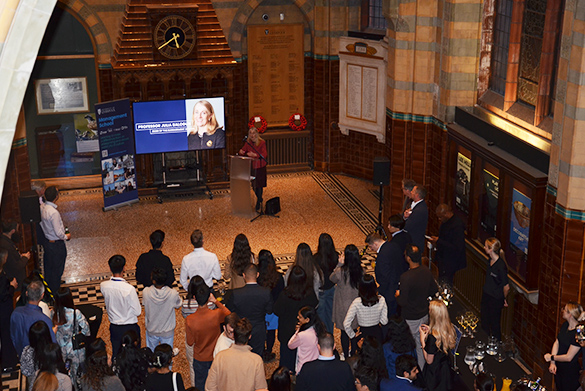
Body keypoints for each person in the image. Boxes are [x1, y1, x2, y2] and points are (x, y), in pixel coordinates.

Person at [396, 244, 438, 369]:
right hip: (424, 314)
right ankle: (421, 370)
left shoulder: (406, 277)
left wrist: (397, 295)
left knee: (410, 344)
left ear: (408, 258)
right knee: (421, 344)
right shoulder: (426, 270)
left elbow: (402, 302)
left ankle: (412, 370)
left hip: (410, 317)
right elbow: (433, 290)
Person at [185, 276, 230, 390]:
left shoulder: (190, 319)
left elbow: (190, 342)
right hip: (215, 355)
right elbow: (228, 314)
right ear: (208, 297)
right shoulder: (216, 314)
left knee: (200, 384)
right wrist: (216, 301)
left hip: (200, 357)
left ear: (194, 298)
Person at [274, 265, 319, 370]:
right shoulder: (310, 293)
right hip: (304, 330)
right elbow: (315, 306)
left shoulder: (285, 295)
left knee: (286, 359)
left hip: (286, 331)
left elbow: (277, 311)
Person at [205, 318, 268, 391]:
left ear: (234, 335)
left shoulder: (220, 357)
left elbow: (209, 387)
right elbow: (261, 388)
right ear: (249, 336)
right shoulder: (256, 360)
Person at [366, 216, 411, 316]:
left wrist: (380, 291)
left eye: (370, 246)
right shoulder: (393, 245)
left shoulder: (382, 255)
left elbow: (384, 277)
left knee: (389, 315)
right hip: (398, 284)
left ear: (375, 243)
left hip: (389, 291)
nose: (370, 249)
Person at [225, 263, 273, 356]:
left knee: (240, 354)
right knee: (257, 355)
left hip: (241, 329)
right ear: (257, 275)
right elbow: (269, 310)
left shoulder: (236, 293)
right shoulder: (266, 292)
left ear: (243, 275)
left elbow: (228, 310)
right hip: (259, 328)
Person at [100, 255, 141, 357]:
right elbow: (138, 311)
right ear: (124, 268)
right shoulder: (129, 289)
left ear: (110, 268)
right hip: (130, 327)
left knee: (117, 354)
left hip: (115, 327)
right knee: (133, 355)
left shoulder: (103, 285)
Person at [51, 287, 91, 389]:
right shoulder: (75, 313)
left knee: (67, 373)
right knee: (79, 372)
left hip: (61, 349)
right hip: (75, 349)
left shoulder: (54, 313)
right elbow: (87, 330)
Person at [330, 244, 363, 358]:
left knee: (344, 332)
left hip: (342, 306)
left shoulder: (340, 271)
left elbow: (331, 278)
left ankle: (346, 353)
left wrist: (339, 263)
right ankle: (353, 351)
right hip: (356, 306)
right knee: (354, 331)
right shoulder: (360, 270)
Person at [544, 302, 583, 391]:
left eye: (564, 309)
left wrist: (551, 357)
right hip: (559, 368)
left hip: (569, 373)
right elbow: (557, 342)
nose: (562, 311)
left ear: (570, 314)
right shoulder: (565, 325)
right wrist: (552, 363)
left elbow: (569, 357)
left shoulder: (578, 333)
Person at [39, 186, 71, 297]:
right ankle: (55, 293)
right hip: (57, 245)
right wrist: (66, 236)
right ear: (56, 197)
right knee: (57, 270)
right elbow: (58, 232)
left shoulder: (42, 207)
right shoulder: (53, 213)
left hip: (48, 242)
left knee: (49, 268)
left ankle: (48, 291)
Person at [10, 280, 56, 356]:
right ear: (42, 295)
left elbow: (13, 337)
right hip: (40, 359)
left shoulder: (16, 313)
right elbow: (52, 346)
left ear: (26, 293)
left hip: (21, 356)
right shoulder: (45, 319)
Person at [419, 299, 456, 391]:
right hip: (445, 369)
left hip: (434, 373)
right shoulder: (449, 328)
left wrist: (422, 340)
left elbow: (429, 360)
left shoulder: (432, 338)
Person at [142, 267, 182, 352]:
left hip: (152, 329)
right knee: (167, 354)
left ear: (153, 280)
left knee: (152, 353)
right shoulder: (173, 293)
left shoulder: (146, 292)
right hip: (167, 331)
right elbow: (179, 304)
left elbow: (144, 304)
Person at [429, 204, 467, 286]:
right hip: (443, 258)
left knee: (447, 283)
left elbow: (457, 247)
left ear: (446, 213)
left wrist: (439, 241)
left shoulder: (457, 226)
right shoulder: (445, 222)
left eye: (440, 217)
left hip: (451, 262)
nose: (439, 219)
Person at [257, 249, 285, 362]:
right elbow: (282, 293)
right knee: (271, 331)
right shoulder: (278, 277)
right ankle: (269, 351)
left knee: (261, 329)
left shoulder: (257, 276)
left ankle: (262, 350)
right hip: (274, 309)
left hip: (260, 308)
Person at [343, 274, 388, 343]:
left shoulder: (357, 302)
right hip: (377, 333)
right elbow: (384, 321)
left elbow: (346, 324)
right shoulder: (381, 300)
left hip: (363, 334)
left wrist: (353, 335)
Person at [480, 237, 510, 340]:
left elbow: (506, 287)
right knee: (484, 320)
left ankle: (496, 345)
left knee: (494, 323)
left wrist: (503, 298)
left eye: (486, 246)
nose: (484, 247)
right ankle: (484, 341)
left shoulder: (501, 266)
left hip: (495, 299)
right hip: (486, 295)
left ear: (490, 249)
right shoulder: (490, 261)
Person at [287, 306, 326, 375]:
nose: (298, 318)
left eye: (300, 317)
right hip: (317, 365)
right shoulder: (320, 329)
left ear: (307, 320)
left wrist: (298, 331)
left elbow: (290, 345)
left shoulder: (302, 335)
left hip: (303, 367)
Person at [239, 126, 267, 212]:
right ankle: (260, 198)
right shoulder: (248, 143)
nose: (252, 135)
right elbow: (243, 151)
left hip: (260, 166)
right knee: (254, 185)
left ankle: (258, 202)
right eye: (250, 133)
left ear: (256, 134)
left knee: (259, 185)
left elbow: (264, 154)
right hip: (252, 167)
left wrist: (255, 155)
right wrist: (241, 151)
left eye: (253, 133)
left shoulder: (262, 143)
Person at [314, 233, 338, 334]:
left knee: (320, 317)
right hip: (332, 288)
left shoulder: (315, 258)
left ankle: (322, 340)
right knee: (330, 316)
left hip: (321, 290)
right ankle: (330, 338)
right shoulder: (336, 256)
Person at [21, 321, 55, 391]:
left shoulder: (27, 351)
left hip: (35, 384)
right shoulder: (53, 350)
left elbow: (25, 371)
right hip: (52, 383)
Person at [0, 248, 18, 370]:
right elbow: (3, 296)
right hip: (3, 311)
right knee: (6, 335)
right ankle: (8, 363)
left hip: (3, 310)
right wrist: (12, 287)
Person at [0, 220, 29, 289]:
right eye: (17, 229)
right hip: (14, 279)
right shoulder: (7, 246)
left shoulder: (4, 241)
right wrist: (25, 258)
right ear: (13, 231)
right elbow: (15, 266)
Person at [403, 184, 429, 255]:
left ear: (417, 195)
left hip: (414, 243)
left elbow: (407, 227)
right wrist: (405, 217)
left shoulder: (420, 210)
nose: (411, 192)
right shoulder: (414, 204)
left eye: (413, 191)